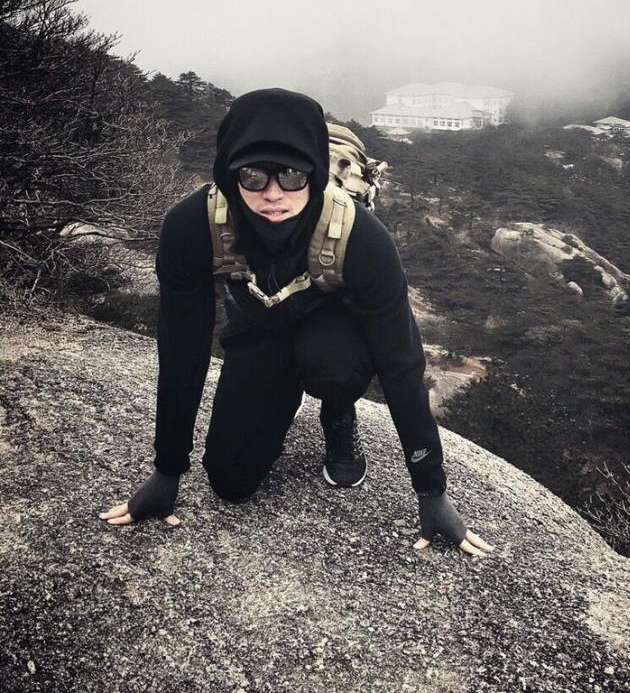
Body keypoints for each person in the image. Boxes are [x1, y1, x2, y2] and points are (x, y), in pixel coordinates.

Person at [101, 87, 492, 556]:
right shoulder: (192, 226)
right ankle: (279, 395)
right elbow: (182, 347)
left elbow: (401, 361)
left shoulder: (362, 237)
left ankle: (337, 411)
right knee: (229, 481)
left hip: (332, 331)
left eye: (292, 175)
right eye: (253, 175)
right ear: (228, 173)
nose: (273, 194)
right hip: (258, 331)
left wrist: (431, 490)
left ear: (315, 173)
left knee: (332, 369)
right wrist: (167, 470)